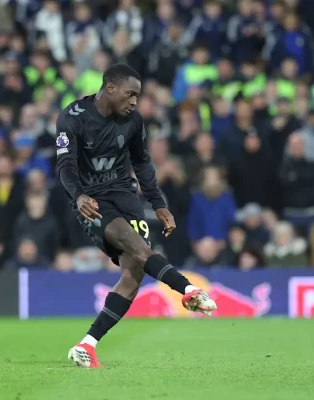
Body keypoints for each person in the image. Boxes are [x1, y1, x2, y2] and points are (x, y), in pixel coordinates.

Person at [56, 64, 217, 368]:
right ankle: (188, 290)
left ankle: (86, 345)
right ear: (110, 88)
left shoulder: (133, 120)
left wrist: (158, 203)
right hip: (92, 200)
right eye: (130, 94)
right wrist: (78, 196)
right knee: (136, 246)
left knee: (134, 274)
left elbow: (142, 163)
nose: (134, 102)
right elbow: (66, 166)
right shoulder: (73, 117)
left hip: (125, 195)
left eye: (137, 96)